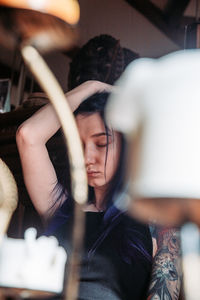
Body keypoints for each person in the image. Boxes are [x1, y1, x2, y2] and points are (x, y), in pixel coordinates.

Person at [16, 80, 154, 299]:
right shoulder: (61, 208)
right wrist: (92, 86)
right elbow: (29, 135)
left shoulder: (152, 212)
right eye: (78, 145)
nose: (87, 158)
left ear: (128, 144)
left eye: (101, 144)